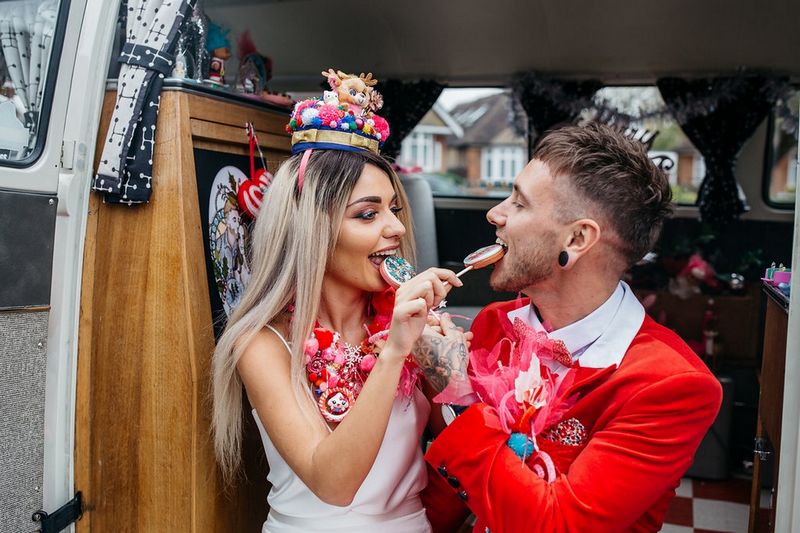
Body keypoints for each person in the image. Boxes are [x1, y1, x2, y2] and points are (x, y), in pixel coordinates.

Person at [416, 122, 723, 532]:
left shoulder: (670, 385)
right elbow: (447, 496)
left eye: (519, 203)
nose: (496, 214)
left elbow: (561, 525)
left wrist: (457, 390)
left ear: (577, 238)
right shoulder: (495, 324)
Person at [211, 71, 461, 532]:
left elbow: (462, 464)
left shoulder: (408, 327)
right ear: (314, 232)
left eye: (393, 210)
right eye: (368, 214)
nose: (397, 229)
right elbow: (333, 483)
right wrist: (394, 354)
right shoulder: (260, 343)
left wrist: (449, 374)